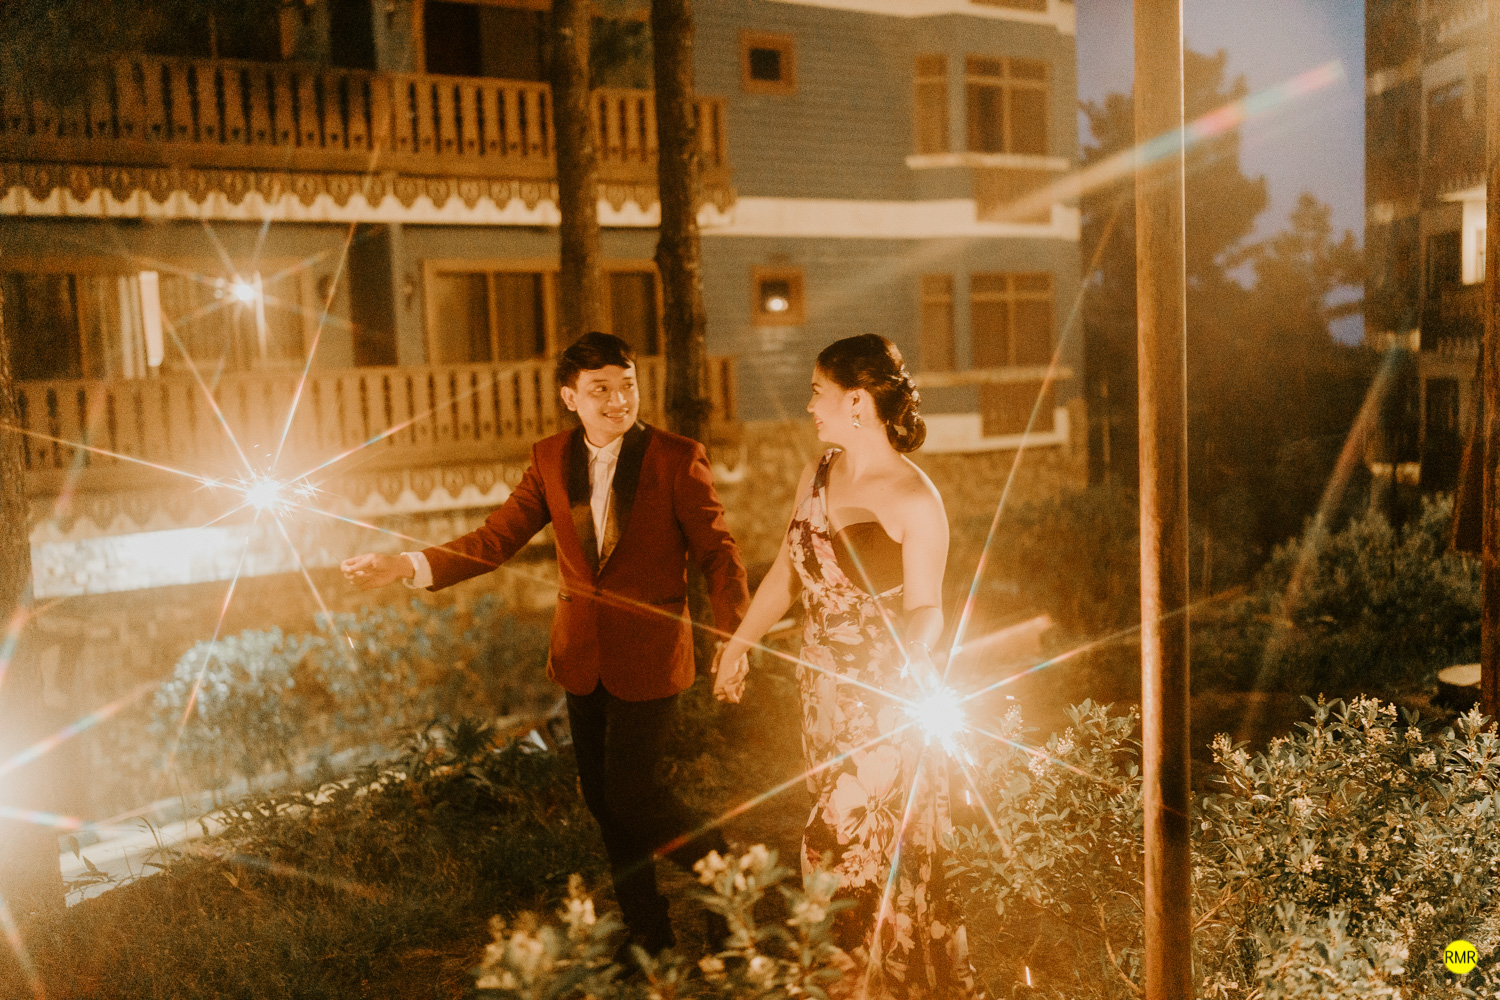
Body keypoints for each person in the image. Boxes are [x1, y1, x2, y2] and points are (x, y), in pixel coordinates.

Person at [342, 332, 749, 958]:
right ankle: (649, 933)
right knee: (604, 802)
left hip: (652, 653)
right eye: (600, 389)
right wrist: (406, 564)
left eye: (627, 385)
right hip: (580, 656)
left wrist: (734, 638)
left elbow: (718, 553)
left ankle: (729, 884)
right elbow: (495, 539)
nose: (618, 400)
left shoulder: (676, 456)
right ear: (570, 397)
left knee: (633, 794)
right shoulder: (550, 458)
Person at [713, 334, 981, 998]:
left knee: (831, 845)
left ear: (857, 401)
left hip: (883, 701)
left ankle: (842, 984)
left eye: (818, 392)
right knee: (865, 854)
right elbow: (786, 574)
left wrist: (902, 669)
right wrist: (738, 644)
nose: (810, 406)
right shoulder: (818, 473)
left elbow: (928, 610)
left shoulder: (916, 498)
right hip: (821, 693)